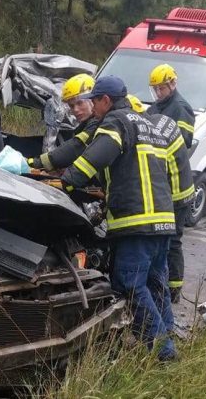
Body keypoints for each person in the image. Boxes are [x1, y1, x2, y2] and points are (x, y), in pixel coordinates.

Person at [56, 75, 178, 361]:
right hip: (163, 220)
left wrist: (68, 181)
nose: (91, 107)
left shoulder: (115, 122)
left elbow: (91, 159)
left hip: (137, 223)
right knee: (155, 282)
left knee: (129, 284)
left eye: (93, 101)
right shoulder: (145, 121)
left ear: (105, 100)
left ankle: (163, 351)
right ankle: (167, 335)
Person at [146, 64, 196, 303]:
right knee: (162, 238)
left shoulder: (181, 108)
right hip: (163, 184)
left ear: (172, 84)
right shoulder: (156, 107)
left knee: (173, 240)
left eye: (161, 88)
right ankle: (160, 282)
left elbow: (183, 142)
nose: (158, 92)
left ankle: (174, 289)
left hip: (178, 188)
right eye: (155, 89)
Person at [27, 73, 98, 171]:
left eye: (79, 103)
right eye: (72, 106)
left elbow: (74, 147)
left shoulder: (99, 123)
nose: (76, 110)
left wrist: (35, 162)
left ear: (93, 99)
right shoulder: (86, 124)